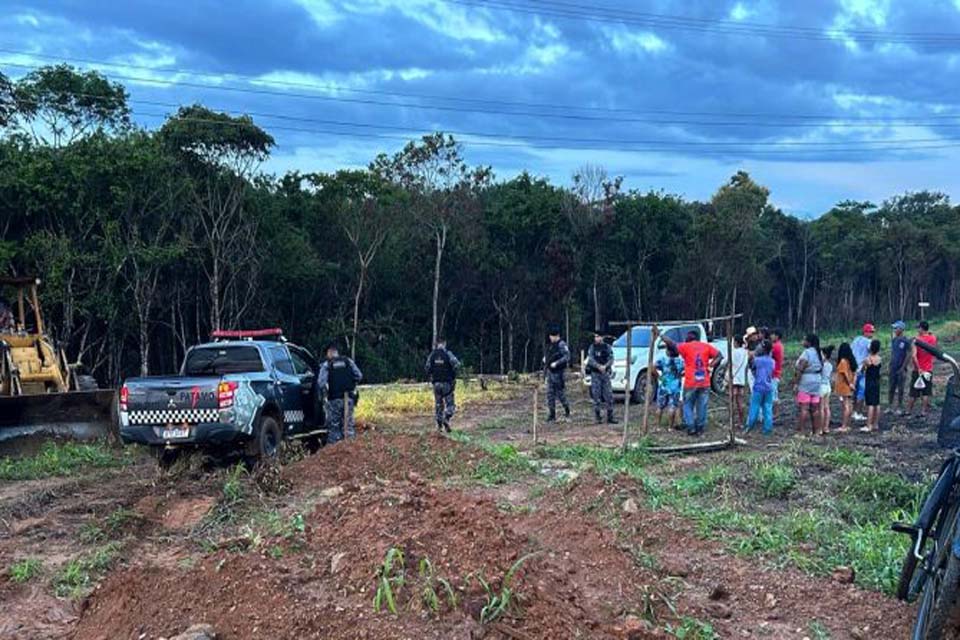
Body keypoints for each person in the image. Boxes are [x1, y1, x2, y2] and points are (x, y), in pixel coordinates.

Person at [661, 330, 721, 436]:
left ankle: (691, 426)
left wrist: (660, 335)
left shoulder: (686, 346)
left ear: (688, 339)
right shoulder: (706, 346)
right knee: (702, 405)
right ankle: (700, 427)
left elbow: (671, 343)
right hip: (704, 381)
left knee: (687, 404)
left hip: (691, 382)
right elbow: (719, 355)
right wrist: (710, 365)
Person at [317, 342, 363, 444]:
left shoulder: (327, 365)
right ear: (337, 352)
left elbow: (321, 383)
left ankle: (335, 451)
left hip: (334, 400)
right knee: (348, 425)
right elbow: (359, 376)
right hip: (349, 398)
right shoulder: (348, 361)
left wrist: (325, 393)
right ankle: (350, 448)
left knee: (334, 426)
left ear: (329, 353)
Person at [426, 338, 461, 433]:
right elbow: (457, 365)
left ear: (436, 344)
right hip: (447, 384)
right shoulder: (448, 354)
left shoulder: (432, 355)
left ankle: (439, 426)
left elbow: (427, 368)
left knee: (438, 405)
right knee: (450, 404)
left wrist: (432, 375)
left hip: (436, 384)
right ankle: (446, 418)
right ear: (444, 344)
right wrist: (453, 374)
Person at [744, 340, 776, 435]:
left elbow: (751, 366)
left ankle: (749, 426)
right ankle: (767, 429)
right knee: (768, 408)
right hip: (769, 387)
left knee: (754, 407)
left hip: (758, 387)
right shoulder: (772, 361)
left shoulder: (757, 360)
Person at [795, 334, 824, 436]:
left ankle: (801, 432)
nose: (803, 342)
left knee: (804, 408)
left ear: (809, 342)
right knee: (815, 408)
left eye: (804, 340)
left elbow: (801, 367)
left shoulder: (807, 353)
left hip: (806, 381)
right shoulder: (819, 352)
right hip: (816, 381)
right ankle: (816, 431)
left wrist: (796, 382)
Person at [586, 332, 617, 424]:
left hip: (605, 373)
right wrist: (598, 366)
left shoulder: (607, 347)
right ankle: (597, 417)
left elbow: (611, 359)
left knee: (609, 395)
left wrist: (605, 366)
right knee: (596, 395)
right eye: (595, 337)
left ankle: (610, 417)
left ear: (602, 337)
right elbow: (590, 359)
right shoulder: (592, 347)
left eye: (598, 336)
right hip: (595, 374)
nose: (596, 338)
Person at [909, 320, 938, 418]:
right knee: (926, 391)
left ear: (921, 328)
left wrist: (918, 368)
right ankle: (923, 411)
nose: (917, 329)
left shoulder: (916, 340)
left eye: (918, 328)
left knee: (913, 392)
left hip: (918, 369)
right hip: (928, 369)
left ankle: (909, 410)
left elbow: (913, 356)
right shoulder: (933, 338)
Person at [544, 326, 571, 423]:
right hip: (550, 373)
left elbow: (567, 356)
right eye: (550, 336)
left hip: (558, 373)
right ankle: (552, 414)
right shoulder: (551, 345)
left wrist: (557, 363)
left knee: (560, 394)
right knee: (549, 394)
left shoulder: (561, 344)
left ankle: (567, 410)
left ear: (557, 336)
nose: (551, 338)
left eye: (552, 336)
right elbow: (548, 355)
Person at [655, 343, 684, 430]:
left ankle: (657, 426)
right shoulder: (680, 361)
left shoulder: (663, 360)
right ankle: (670, 427)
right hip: (675, 386)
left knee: (660, 406)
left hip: (664, 385)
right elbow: (685, 370)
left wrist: (659, 377)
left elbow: (652, 366)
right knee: (672, 406)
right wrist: (679, 375)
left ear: (667, 351)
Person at [851, 324, 874, 422]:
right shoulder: (869, 342)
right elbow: (872, 350)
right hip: (863, 369)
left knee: (853, 391)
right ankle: (858, 412)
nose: (872, 334)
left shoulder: (856, 339)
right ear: (865, 332)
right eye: (871, 332)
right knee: (861, 392)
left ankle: (852, 411)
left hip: (853, 368)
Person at [887, 321, 911, 415]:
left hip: (901, 368)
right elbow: (893, 354)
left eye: (896, 328)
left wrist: (903, 367)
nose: (894, 330)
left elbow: (909, 354)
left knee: (901, 388)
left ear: (901, 329)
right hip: (893, 366)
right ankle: (890, 406)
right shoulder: (894, 340)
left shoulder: (906, 341)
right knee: (891, 387)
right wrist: (889, 365)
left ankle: (900, 407)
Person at [834, 343, 857, 433]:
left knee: (845, 405)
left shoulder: (843, 361)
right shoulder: (851, 361)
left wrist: (849, 384)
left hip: (844, 386)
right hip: (849, 385)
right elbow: (855, 373)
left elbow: (844, 374)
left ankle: (844, 426)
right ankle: (847, 424)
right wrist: (853, 384)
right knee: (849, 405)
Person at [862, 339, 882, 432]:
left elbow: (863, 369)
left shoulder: (868, 359)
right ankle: (876, 424)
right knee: (876, 403)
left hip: (869, 382)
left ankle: (868, 425)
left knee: (870, 404)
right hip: (877, 382)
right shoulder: (879, 358)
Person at [730, 335, 748, 425]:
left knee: (732, 401)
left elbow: (727, 363)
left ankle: (732, 421)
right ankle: (741, 421)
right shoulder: (745, 352)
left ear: (736, 342)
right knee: (740, 401)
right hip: (741, 379)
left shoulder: (733, 352)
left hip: (733, 378)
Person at [820, 345, 835, 433]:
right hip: (828, 387)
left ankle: (821, 428)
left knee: (821, 408)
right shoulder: (830, 365)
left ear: (825, 355)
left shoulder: (822, 365)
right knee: (827, 407)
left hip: (821, 387)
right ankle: (826, 427)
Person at [770, 329, 785, 420]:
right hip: (776, 372)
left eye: (773, 335)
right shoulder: (779, 345)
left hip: (774, 373)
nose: (771, 336)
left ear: (777, 336)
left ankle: (776, 412)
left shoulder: (776, 346)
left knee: (773, 394)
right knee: (774, 393)